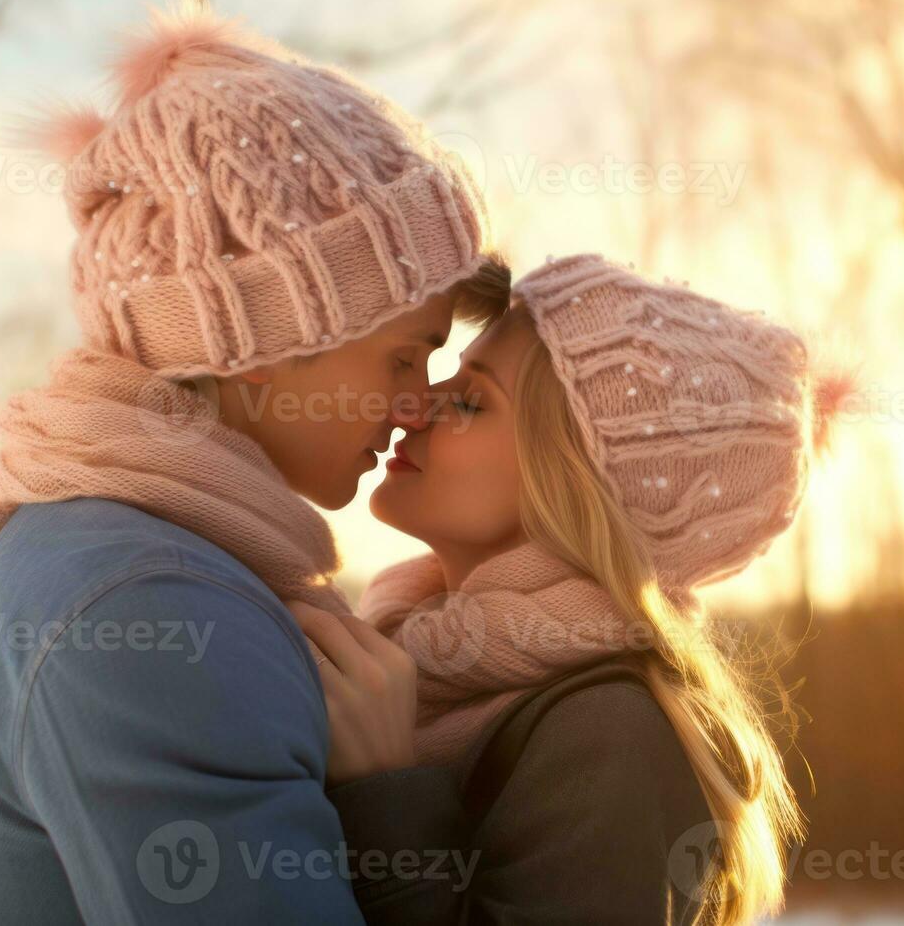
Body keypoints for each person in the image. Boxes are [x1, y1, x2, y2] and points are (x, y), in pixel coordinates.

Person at [0, 0, 507, 923]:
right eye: (403, 356)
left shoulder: (109, 557)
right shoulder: (151, 605)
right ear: (265, 337)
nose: (418, 402)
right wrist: (397, 805)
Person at [290, 253, 852, 924]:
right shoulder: (396, 660)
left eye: (471, 399)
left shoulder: (610, 734)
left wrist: (386, 792)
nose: (414, 406)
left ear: (575, 484)